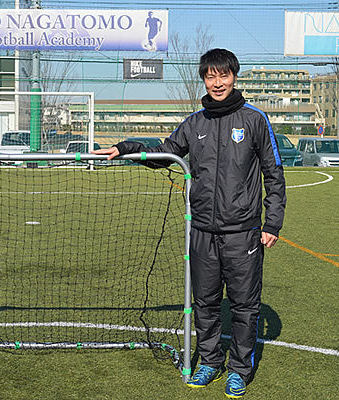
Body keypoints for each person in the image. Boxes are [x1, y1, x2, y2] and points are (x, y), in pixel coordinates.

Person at [93, 48, 285, 399]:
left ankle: (240, 370)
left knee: (244, 304)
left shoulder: (255, 120)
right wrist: (127, 147)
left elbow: (274, 174)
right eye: (210, 76)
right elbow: (165, 152)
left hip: (242, 232)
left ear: (234, 77)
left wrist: (271, 222)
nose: (217, 83)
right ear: (204, 79)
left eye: (223, 75)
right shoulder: (195, 123)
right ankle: (210, 361)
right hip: (202, 232)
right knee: (205, 301)